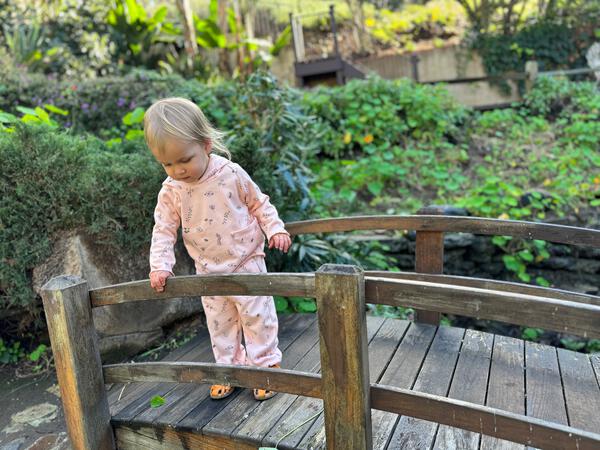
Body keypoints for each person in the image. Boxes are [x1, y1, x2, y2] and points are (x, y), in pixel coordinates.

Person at [143, 97, 292, 401]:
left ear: (206, 145)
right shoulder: (171, 191)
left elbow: (258, 203)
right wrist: (160, 265)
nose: (178, 170)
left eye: (184, 160)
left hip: (246, 260)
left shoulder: (231, 173)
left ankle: (265, 367)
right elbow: (164, 229)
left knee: (256, 316)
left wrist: (275, 228)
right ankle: (229, 369)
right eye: (167, 164)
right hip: (208, 269)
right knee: (220, 323)